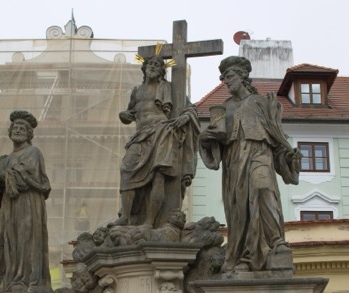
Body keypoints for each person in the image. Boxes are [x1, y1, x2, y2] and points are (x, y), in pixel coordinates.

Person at [198, 56, 300, 273]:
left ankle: (276, 244)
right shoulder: (225, 107)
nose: (226, 82)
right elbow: (217, 149)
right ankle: (245, 257)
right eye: (224, 78)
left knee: (264, 189)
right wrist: (206, 138)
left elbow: (276, 136)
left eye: (230, 76)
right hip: (234, 160)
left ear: (243, 76)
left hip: (259, 153)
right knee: (241, 208)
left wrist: (287, 157)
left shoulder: (262, 103)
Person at [115, 53, 199, 228]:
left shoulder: (168, 88)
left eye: (157, 64)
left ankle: (150, 222)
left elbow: (191, 109)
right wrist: (123, 115)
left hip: (162, 132)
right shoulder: (137, 91)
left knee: (158, 176)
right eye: (150, 63)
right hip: (141, 135)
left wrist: (184, 118)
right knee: (126, 169)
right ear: (144, 68)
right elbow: (129, 114)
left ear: (162, 70)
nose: (152, 66)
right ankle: (126, 217)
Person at [0, 111, 53, 293]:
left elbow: (24, 177)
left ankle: (21, 281)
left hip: (27, 204)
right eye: (15, 127)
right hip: (8, 205)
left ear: (29, 134)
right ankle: (5, 277)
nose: (18, 130)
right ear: (10, 131)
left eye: (23, 128)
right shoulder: (5, 159)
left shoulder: (33, 153)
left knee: (24, 242)